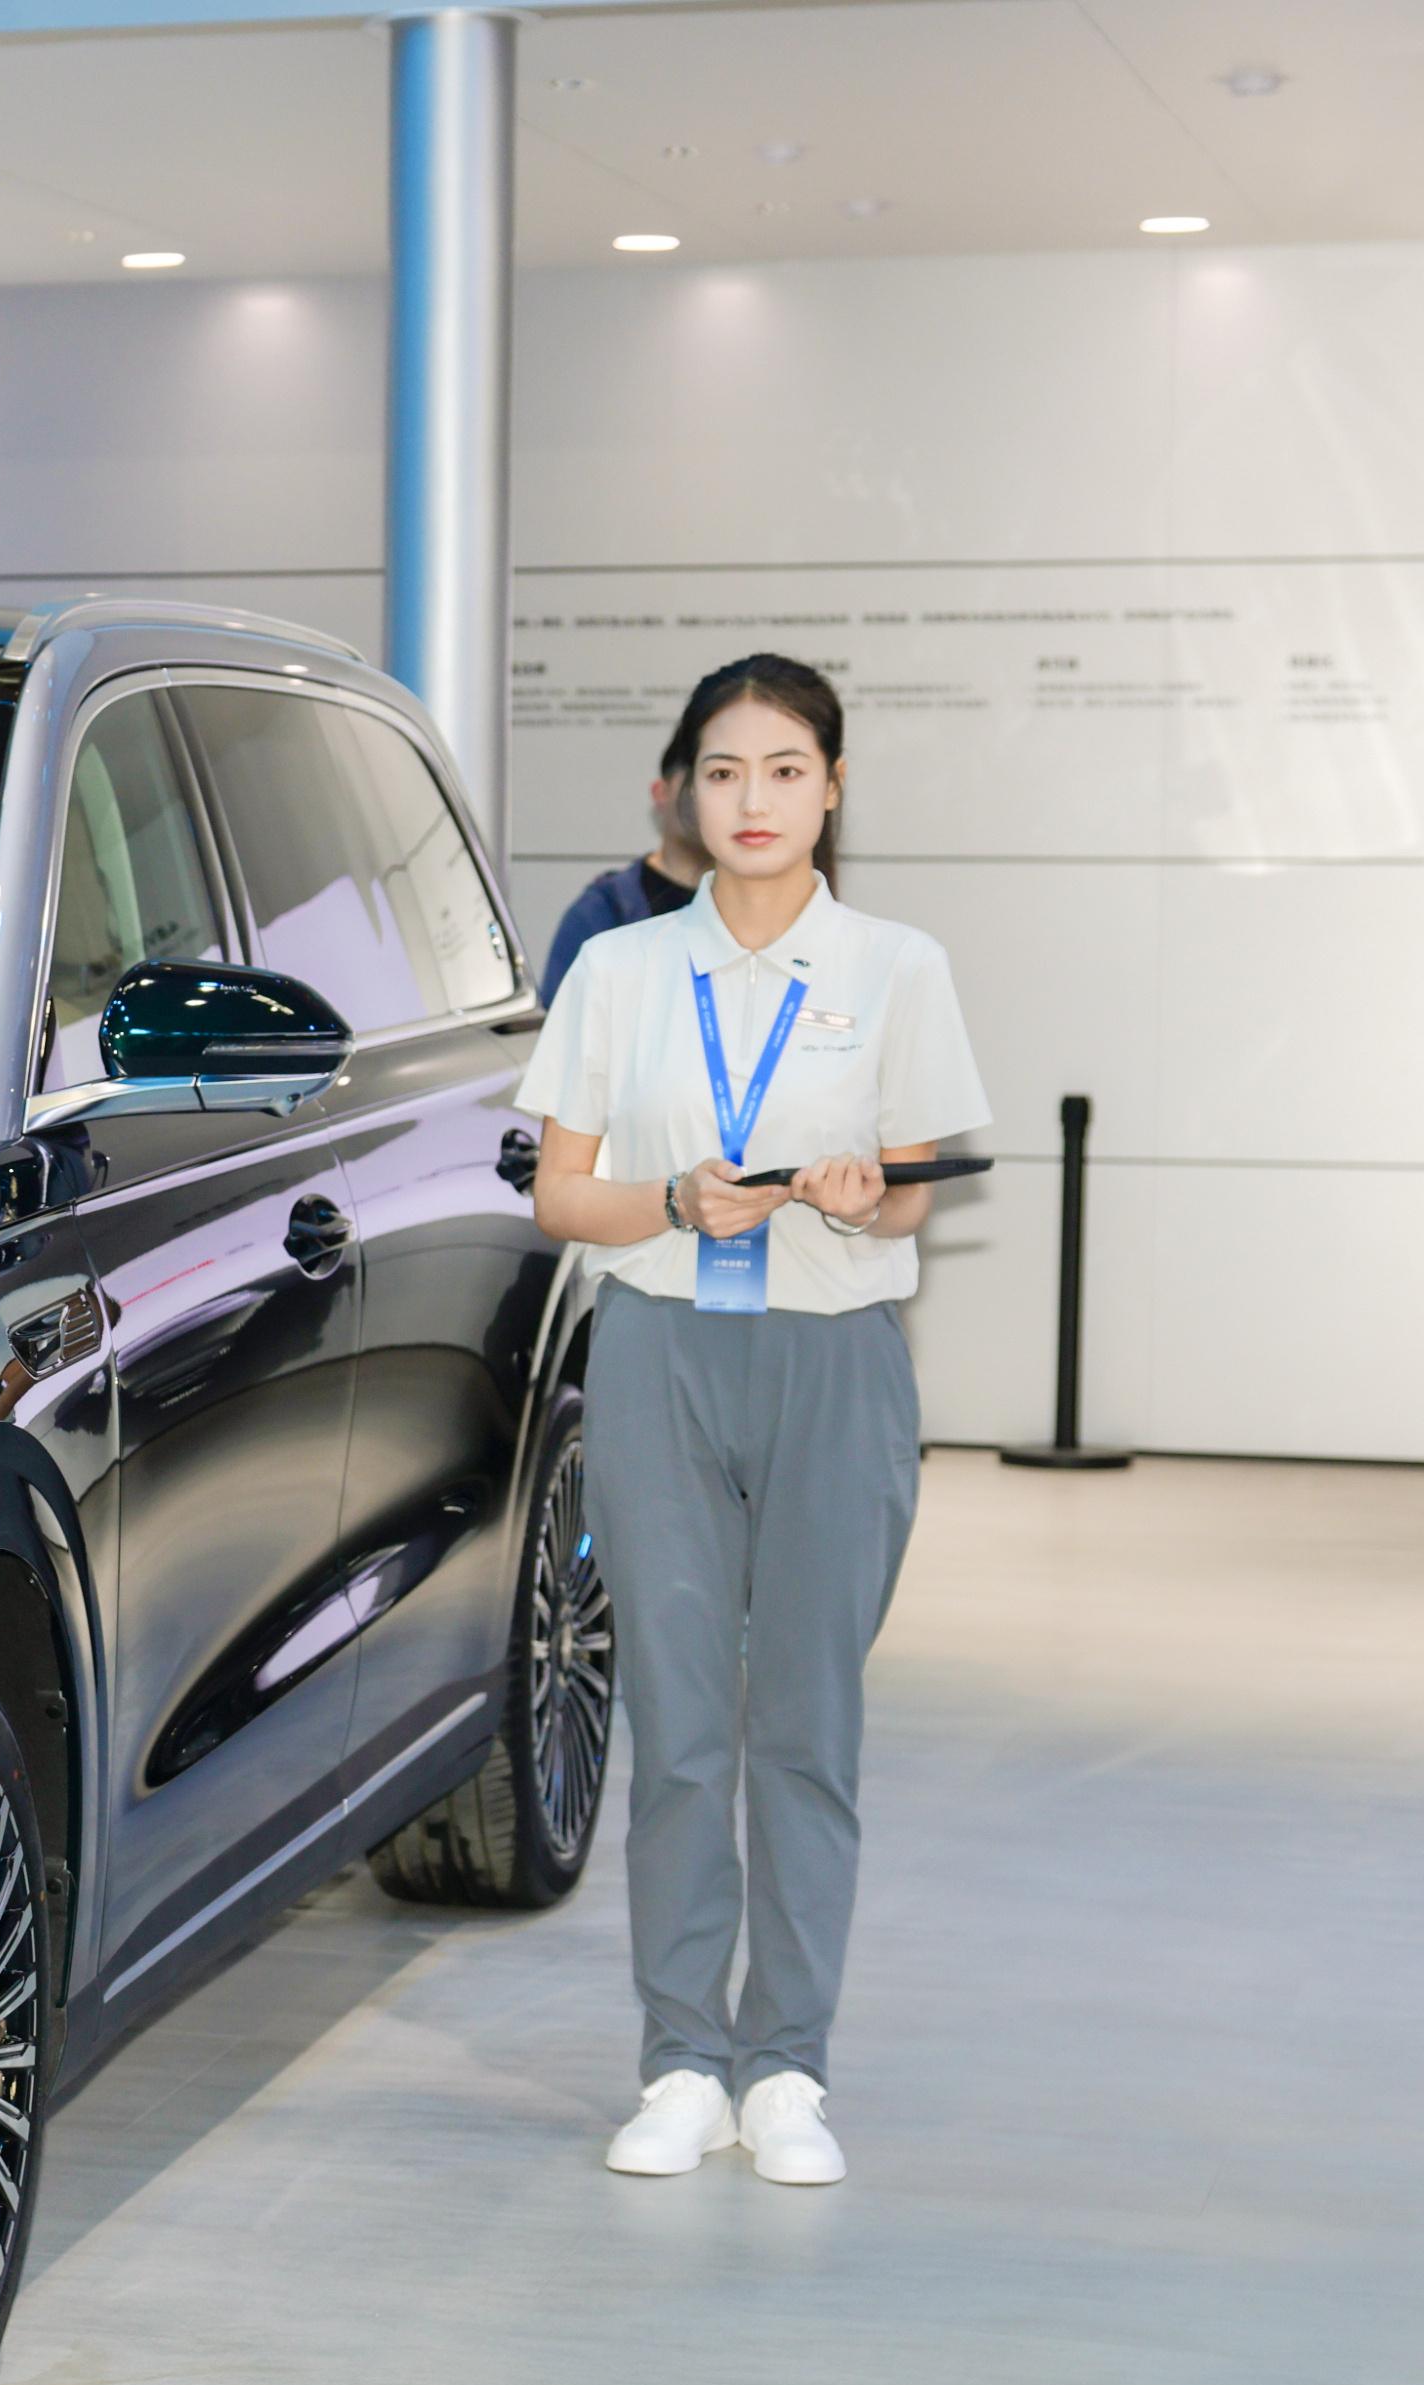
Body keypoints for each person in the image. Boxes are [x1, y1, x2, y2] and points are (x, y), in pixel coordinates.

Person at [515, 654, 989, 2191]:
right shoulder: (620, 970)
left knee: (803, 1727)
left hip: (834, 1361)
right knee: (675, 1727)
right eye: (725, 771)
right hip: (659, 1351)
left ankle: (786, 2065)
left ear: (832, 789)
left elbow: (914, 1191)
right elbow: (559, 1194)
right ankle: (679, 2062)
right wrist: (668, 1200)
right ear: (683, 793)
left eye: (786, 770)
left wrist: (864, 1195)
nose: (754, 800)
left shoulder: (897, 967)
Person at [535, 730, 711, 1004]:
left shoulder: (759, 906)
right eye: (699, 780)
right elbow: (562, 1020)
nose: (709, 800)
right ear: (661, 793)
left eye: (723, 778)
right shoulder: (604, 912)